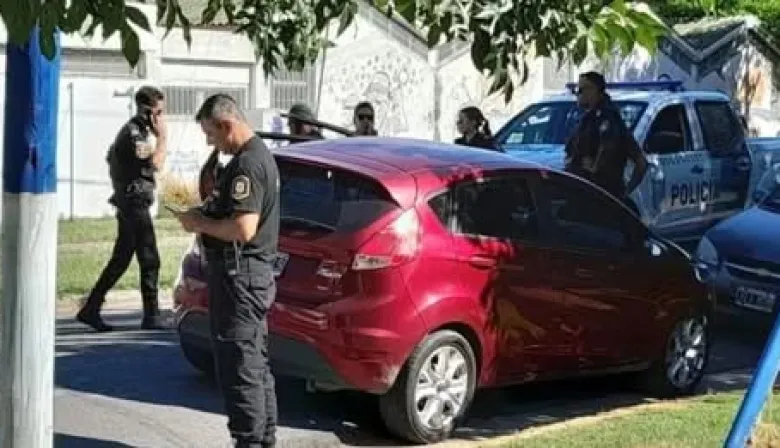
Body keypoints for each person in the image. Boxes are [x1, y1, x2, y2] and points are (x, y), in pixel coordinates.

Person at [174, 93, 279, 448]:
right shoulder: (254, 158)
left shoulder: (248, 164)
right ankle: (261, 439)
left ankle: (250, 441)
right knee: (253, 363)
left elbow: (243, 229)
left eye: (211, 133)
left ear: (226, 124)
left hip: (241, 277)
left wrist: (199, 223)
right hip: (246, 276)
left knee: (241, 367)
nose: (209, 142)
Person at [76, 85, 168, 332]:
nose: (162, 118)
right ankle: (151, 316)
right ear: (148, 112)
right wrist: (163, 138)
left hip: (130, 202)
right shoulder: (133, 134)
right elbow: (156, 163)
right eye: (159, 112)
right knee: (150, 259)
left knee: (121, 259)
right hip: (134, 204)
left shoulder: (133, 132)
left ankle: (91, 308)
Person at [564, 71, 648, 212]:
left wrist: (623, 195)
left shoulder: (608, 120)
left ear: (594, 90)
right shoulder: (587, 119)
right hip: (580, 195)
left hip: (598, 200)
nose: (577, 94)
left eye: (580, 90)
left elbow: (641, 163)